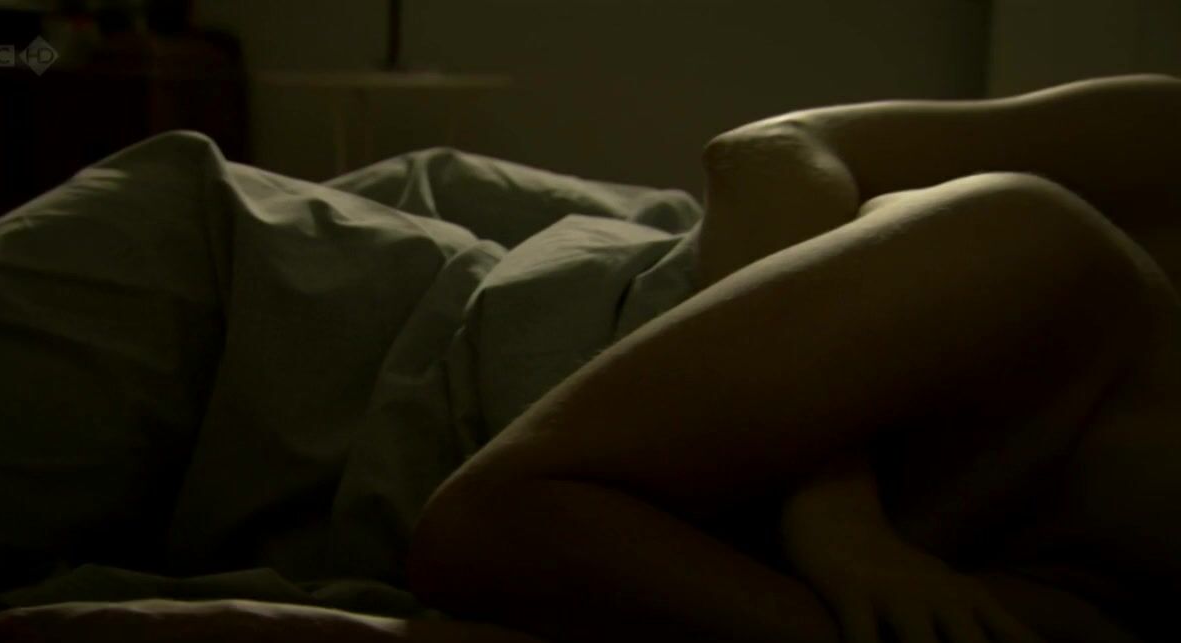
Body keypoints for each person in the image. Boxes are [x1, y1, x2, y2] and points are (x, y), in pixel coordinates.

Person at [405, 74, 1181, 643]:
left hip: (598, 474)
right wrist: (834, 510)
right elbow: (773, 148)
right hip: (522, 347)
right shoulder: (1057, 242)